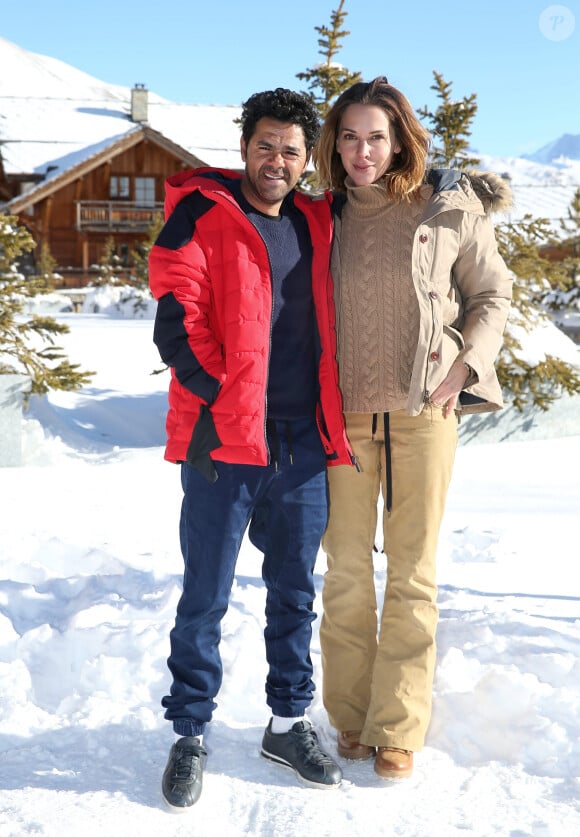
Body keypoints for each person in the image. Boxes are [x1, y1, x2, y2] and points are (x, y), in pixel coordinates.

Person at [148, 87, 355, 809]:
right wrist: (221, 399)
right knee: (205, 594)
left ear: (306, 160)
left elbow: (390, 203)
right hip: (225, 445)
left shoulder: (318, 220)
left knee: (294, 591)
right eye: (265, 145)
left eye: (291, 150)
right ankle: (190, 732)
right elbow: (177, 322)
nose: (277, 160)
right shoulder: (201, 216)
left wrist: (441, 182)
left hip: (302, 446)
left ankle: (287, 722)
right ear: (244, 148)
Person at [312, 76, 513, 780]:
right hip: (343, 415)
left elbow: (492, 292)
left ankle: (397, 723)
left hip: (426, 410)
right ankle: (350, 714)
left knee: (412, 571)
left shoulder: (448, 204)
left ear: (399, 139)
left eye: (375, 136)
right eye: (349, 136)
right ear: (332, 144)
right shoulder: (323, 213)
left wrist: (465, 366)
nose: (362, 150)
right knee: (343, 570)